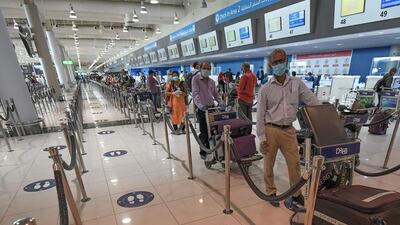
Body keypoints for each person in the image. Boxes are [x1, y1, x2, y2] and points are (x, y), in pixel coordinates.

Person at [256, 48, 320, 207]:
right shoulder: (265, 88)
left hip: (289, 130)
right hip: (271, 130)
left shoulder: (297, 84)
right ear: (271, 65)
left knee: (294, 164)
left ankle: (296, 194)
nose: (279, 64)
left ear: (287, 61)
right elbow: (260, 115)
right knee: (268, 164)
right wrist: (262, 137)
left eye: (281, 60)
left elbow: (311, 100)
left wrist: (325, 111)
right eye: (275, 62)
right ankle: (271, 192)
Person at [192, 62, 225, 159]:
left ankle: (214, 148)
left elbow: (216, 94)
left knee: (214, 129)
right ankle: (203, 150)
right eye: (205, 68)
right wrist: (200, 105)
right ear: (200, 68)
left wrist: (221, 103)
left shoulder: (211, 81)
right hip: (202, 109)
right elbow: (195, 94)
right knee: (204, 131)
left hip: (211, 108)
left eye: (208, 69)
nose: (206, 70)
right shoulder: (196, 79)